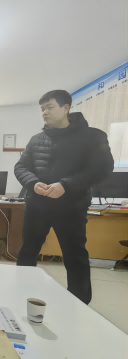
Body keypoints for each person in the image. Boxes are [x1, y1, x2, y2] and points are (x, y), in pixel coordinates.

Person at [15, 90, 114, 304]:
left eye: (50, 107)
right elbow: (21, 167)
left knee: (75, 255)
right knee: (28, 251)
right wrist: (33, 183)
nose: (45, 112)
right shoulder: (37, 139)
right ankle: (22, 294)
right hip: (38, 206)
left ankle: (79, 303)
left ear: (66, 108)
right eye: (42, 109)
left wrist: (66, 185)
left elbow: (102, 169)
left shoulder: (93, 136)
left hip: (71, 207)